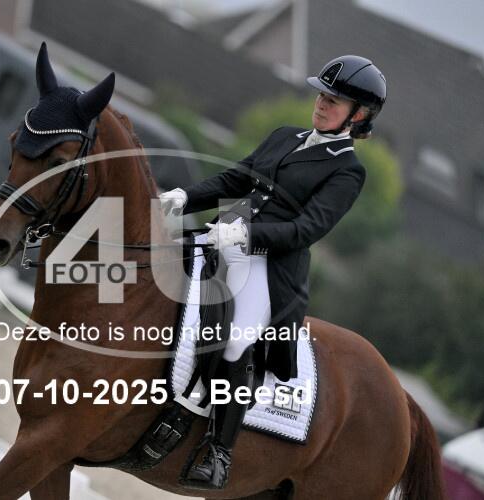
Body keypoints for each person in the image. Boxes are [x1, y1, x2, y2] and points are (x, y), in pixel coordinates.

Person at [161, 55, 387, 490]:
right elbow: (234, 181)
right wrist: (184, 197)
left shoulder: (347, 171)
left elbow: (306, 230)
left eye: (334, 101)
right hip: (223, 239)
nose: (322, 104)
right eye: (322, 95)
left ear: (358, 116)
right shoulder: (284, 136)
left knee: (235, 340)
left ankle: (219, 451)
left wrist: (243, 234)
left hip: (269, 267)